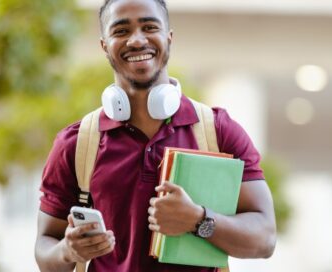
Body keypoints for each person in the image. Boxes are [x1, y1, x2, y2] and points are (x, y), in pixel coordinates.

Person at [34, 0, 277, 271]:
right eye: (121, 31)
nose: (137, 40)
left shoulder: (218, 130)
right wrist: (67, 251)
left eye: (149, 27)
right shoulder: (77, 143)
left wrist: (198, 220)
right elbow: (45, 247)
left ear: (169, 38)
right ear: (104, 46)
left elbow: (265, 238)